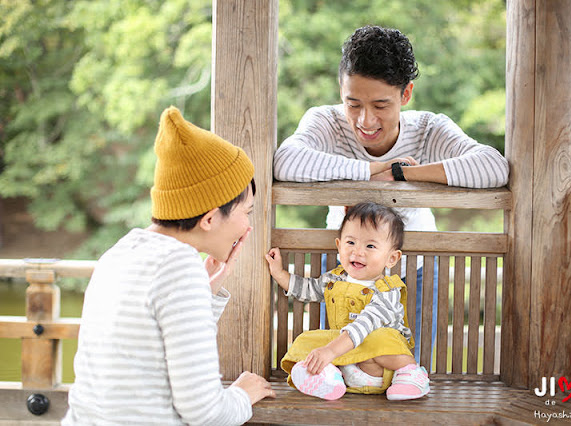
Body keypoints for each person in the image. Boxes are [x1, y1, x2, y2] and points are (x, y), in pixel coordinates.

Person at [273, 25, 510, 359]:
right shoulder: (326, 122)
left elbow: (494, 166)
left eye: (380, 105)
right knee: (339, 365)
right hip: (345, 271)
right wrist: (373, 172)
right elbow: (285, 161)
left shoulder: (429, 129)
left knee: (412, 367)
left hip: (414, 271)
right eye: (352, 104)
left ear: (406, 94)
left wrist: (403, 173)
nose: (365, 120)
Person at [63, 106, 274, 426]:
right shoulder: (179, 270)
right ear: (209, 218)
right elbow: (205, 412)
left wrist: (205, 292)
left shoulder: (117, 254)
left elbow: (149, 355)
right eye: (247, 211)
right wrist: (243, 394)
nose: (248, 227)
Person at [265, 202, 430, 401]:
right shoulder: (334, 280)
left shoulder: (387, 291)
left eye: (370, 246)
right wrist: (279, 273)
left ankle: (410, 374)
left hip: (380, 367)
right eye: (351, 243)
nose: (357, 252)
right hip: (347, 362)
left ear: (392, 259)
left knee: (379, 338)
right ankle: (329, 377)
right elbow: (306, 289)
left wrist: (330, 350)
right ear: (339, 246)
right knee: (306, 339)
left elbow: (363, 325)